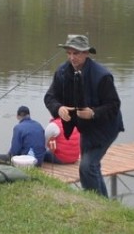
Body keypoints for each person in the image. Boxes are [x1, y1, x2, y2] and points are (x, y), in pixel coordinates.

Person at [44, 34, 124, 196]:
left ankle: (96, 205)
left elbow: (114, 105)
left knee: (87, 166)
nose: (72, 57)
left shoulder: (102, 76)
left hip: (105, 128)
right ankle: (104, 205)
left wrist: (93, 113)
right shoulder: (62, 72)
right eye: (69, 53)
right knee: (92, 167)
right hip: (84, 128)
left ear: (86, 53)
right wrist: (59, 109)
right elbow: (50, 97)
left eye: (76, 53)